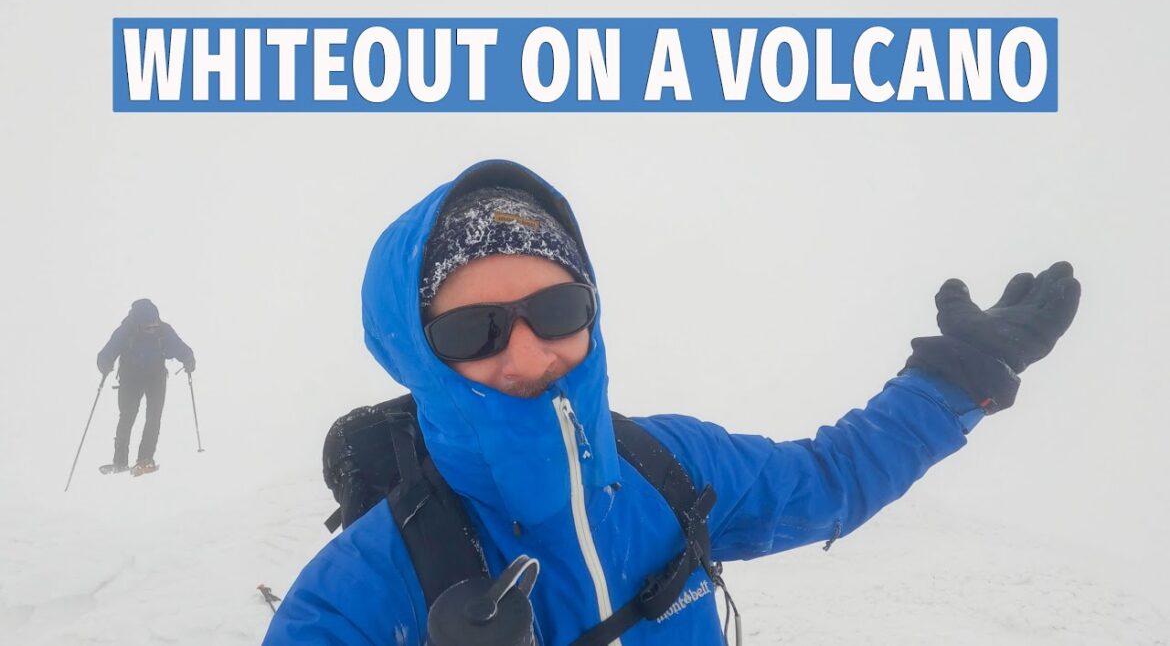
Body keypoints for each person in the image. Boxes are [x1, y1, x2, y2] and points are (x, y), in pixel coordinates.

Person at [263, 160, 1080, 645]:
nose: (528, 353)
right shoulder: (352, 595)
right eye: (473, 329)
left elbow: (831, 480)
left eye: (556, 311)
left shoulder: (669, 466)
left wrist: (963, 370)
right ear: (417, 352)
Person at [96, 298, 195, 476]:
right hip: (130, 379)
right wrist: (104, 363)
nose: (152, 330)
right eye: (148, 327)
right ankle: (120, 462)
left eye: (155, 325)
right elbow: (108, 350)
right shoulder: (125, 331)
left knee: (154, 417)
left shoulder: (163, 330)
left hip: (156, 377)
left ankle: (145, 459)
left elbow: (179, 346)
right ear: (139, 324)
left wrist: (188, 358)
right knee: (127, 417)